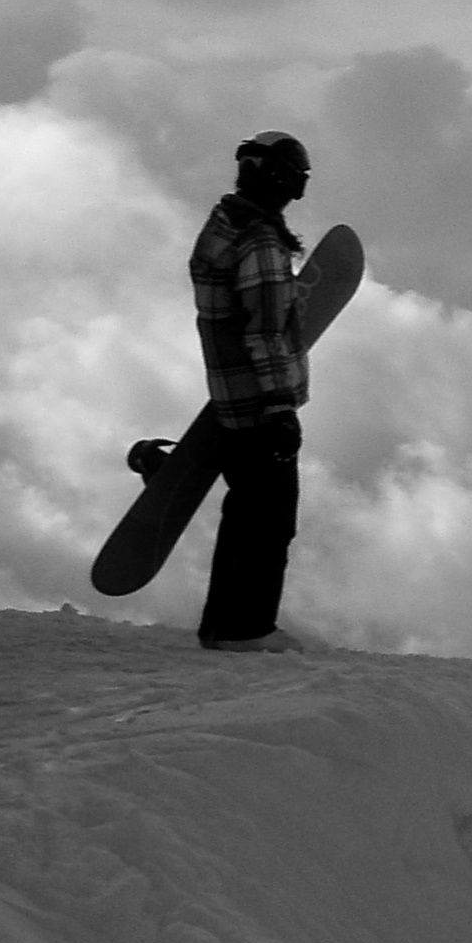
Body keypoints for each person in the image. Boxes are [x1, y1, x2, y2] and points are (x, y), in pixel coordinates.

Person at [189, 130, 314, 651]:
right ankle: (246, 629)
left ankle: (223, 624)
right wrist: (282, 407)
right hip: (260, 405)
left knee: (244, 514)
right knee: (268, 521)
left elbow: (241, 306)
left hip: (228, 397)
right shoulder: (261, 244)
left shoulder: (223, 227)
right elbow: (262, 332)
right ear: (284, 180)